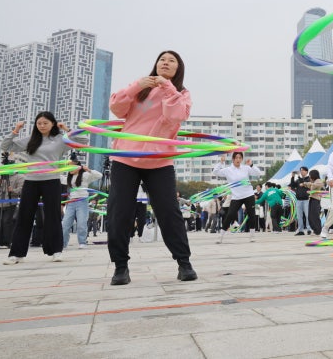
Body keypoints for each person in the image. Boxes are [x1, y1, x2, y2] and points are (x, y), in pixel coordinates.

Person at [104, 50, 197, 285]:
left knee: (169, 211)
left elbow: (175, 115)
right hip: (126, 157)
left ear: (178, 68)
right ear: (155, 64)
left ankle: (184, 263)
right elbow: (116, 108)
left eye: (172, 60)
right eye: (162, 59)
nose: (165, 62)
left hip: (159, 159)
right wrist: (136, 86)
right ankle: (120, 267)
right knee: (119, 212)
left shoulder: (181, 94)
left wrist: (167, 87)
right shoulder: (139, 89)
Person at [2, 112, 86, 265]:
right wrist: (15, 130)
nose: (41, 126)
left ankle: (56, 251)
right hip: (31, 181)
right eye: (39, 123)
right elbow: (5, 146)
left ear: (53, 124)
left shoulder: (60, 140)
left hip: (51, 181)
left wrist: (66, 128)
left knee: (53, 217)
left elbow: (83, 141)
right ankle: (16, 254)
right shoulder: (30, 140)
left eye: (45, 123)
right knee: (24, 217)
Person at [213, 152, 262, 244]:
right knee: (230, 215)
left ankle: (252, 236)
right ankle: (221, 236)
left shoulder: (246, 168)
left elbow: (258, 173)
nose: (238, 159)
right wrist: (221, 162)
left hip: (248, 194)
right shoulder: (228, 170)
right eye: (236, 158)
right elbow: (215, 172)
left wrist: (251, 165)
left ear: (242, 159)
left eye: (240, 158)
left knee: (252, 215)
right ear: (233, 159)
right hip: (236, 196)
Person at [62, 163, 102, 250]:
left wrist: (88, 169)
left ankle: (82, 242)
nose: (70, 169)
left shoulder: (85, 175)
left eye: (71, 166)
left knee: (81, 223)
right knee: (65, 224)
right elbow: (58, 177)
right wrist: (57, 169)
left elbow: (99, 175)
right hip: (71, 202)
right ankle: (63, 244)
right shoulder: (69, 178)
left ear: (78, 167)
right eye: (68, 167)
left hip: (82, 201)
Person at [291, 167, 311, 235]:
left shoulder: (309, 179)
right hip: (298, 200)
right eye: (300, 170)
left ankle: (309, 229)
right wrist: (292, 177)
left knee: (308, 215)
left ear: (306, 171)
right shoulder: (298, 180)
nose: (301, 172)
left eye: (302, 170)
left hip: (306, 200)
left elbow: (304, 184)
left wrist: (299, 176)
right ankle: (301, 230)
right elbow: (292, 186)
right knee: (299, 216)